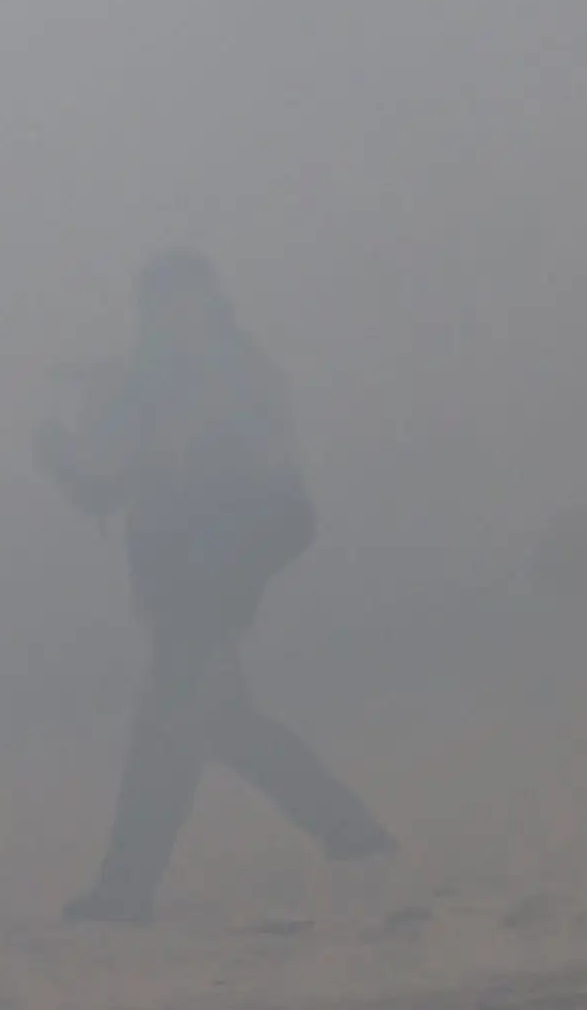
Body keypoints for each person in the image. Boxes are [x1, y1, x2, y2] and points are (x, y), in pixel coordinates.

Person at [37, 246, 389, 920]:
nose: (167, 317)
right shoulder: (148, 383)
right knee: (225, 723)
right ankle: (355, 836)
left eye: (180, 301)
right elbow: (99, 485)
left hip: (210, 581)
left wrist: (231, 565)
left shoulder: (236, 379)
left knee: (165, 730)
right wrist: (64, 445)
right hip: (176, 582)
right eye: (157, 304)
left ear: (207, 303)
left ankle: (125, 890)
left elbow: (281, 495)